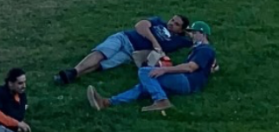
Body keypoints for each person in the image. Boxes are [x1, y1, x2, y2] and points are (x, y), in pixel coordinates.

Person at [87, 24, 215, 114]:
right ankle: (107, 102)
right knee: (144, 85)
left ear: (202, 34)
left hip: (188, 82)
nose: (190, 35)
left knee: (145, 71)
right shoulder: (200, 50)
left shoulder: (205, 50)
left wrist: (164, 70)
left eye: (193, 33)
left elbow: (190, 68)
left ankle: (161, 100)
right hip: (187, 83)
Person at [55, 17, 192, 84]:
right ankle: (73, 71)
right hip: (124, 38)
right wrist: (155, 42)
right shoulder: (158, 22)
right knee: (102, 54)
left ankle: (73, 76)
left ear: (181, 30)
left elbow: (198, 40)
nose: (171, 24)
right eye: (172, 20)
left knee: (103, 64)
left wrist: (190, 33)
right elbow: (140, 26)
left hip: (130, 54)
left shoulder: (178, 41)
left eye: (176, 24)